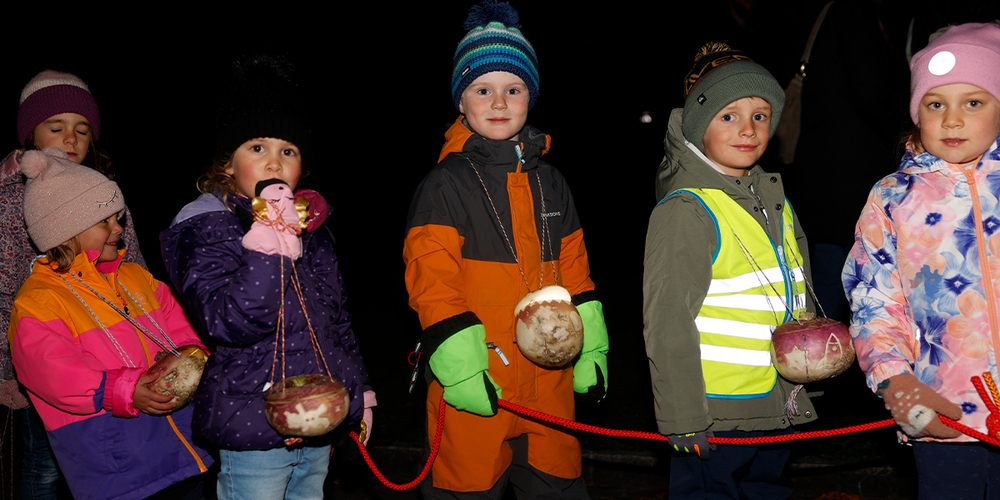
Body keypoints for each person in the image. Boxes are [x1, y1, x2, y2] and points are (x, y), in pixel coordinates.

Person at [403, 1, 610, 497]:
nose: (498, 102)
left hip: (550, 379)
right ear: (461, 100)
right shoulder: (444, 183)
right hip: (479, 381)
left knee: (559, 484)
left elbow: (577, 271)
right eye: (483, 89)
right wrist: (459, 365)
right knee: (467, 486)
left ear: (530, 97)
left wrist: (591, 348)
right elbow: (431, 278)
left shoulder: (552, 182)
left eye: (512, 89)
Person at [159, 54, 375, 500]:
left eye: (288, 151)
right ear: (227, 165)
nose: (274, 163)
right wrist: (267, 242)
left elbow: (336, 322)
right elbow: (231, 320)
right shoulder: (208, 227)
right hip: (252, 423)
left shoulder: (314, 233)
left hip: (317, 421)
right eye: (258, 148)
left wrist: (360, 393)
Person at [642, 42, 819, 499]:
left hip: (777, 401)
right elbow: (667, 322)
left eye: (760, 115)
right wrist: (682, 416)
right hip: (717, 411)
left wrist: (807, 372)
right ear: (700, 125)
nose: (748, 129)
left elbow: (798, 293)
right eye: (728, 116)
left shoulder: (772, 198)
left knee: (769, 490)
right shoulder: (687, 210)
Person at [843, 22, 1000, 499]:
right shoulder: (892, 199)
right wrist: (897, 384)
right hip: (943, 416)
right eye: (936, 104)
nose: (952, 120)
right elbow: (874, 303)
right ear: (917, 115)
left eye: (973, 102)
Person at [8, 147, 211, 500]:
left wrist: (199, 359)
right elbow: (52, 372)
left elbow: (182, 330)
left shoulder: (136, 278)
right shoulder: (39, 300)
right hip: (119, 463)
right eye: (106, 221)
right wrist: (124, 389)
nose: (120, 227)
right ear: (66, 229)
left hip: (181, 446)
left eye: (119, 217)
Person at [0, 69, 145, 499]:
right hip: (46, 355)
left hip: (107, 345)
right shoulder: (11, 202)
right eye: (56, 127)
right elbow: (6, 289)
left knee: (111, 454)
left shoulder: (105, 194)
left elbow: (133, 268)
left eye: (82, 130)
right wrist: (6, 370)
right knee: (44, 461)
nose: (70, 139)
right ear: (30, 136)